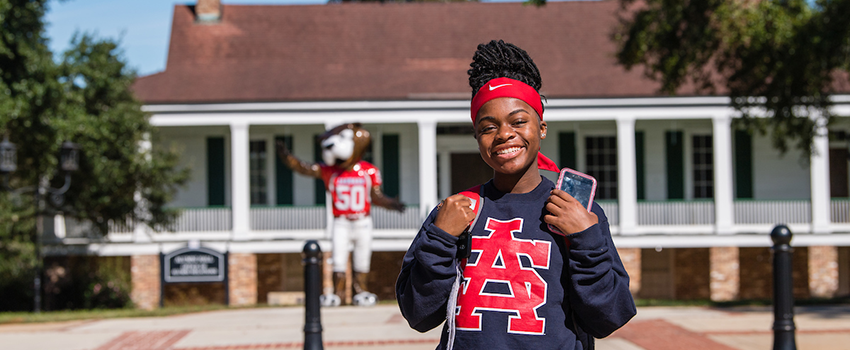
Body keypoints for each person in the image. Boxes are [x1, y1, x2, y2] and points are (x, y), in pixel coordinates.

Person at [396, 40, 636, 349]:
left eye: (519, 121)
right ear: (477, 138)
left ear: (542, 127)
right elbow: (418, 314)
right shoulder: (457, 210)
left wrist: (585, 239)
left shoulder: (575, 212)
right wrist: (440, 239)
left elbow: (609, 317)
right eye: (488, 127)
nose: (504, 134)